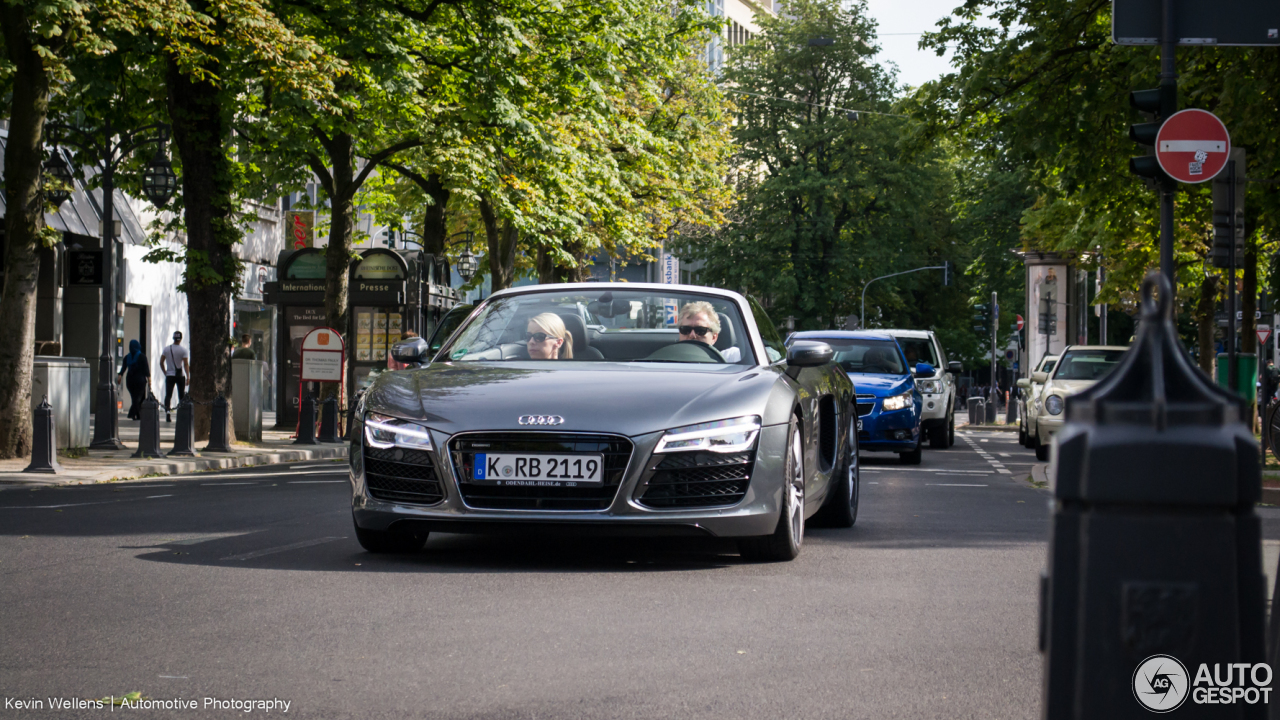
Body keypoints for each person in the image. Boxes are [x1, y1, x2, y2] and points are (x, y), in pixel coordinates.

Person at [160, 331, 190, 422]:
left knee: (168, 395)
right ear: (180, 339)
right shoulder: (183, 350)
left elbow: (161, 362)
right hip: (180, 375)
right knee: (181, 394)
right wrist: (188, 376)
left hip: (169, 375)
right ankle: (181, 413)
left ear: (173, 338)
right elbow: (185, 364)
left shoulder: (166, 349)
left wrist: (165, 372)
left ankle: (168, 413)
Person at [116, 339, 150, 420]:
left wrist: (120, 376)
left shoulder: (127, 357)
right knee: (138, 398)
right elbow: (146, 370)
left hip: (130, 381)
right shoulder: (142, 356)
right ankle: (131, 413)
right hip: (140, 380)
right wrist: (149, 380)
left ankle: (137, 415)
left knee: (134, 397)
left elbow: (123, 369)